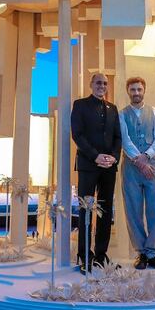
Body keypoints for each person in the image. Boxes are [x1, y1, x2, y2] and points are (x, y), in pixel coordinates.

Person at [70, 72, 121, 273]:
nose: (102, 86)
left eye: (105, 83)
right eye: (98, 82)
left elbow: (118, 137)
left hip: (109, 167)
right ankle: (85, 256)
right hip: (88, 165)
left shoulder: (113, 109)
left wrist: (114, 157)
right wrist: (95, 156)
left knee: (106, 212)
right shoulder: (80, 104)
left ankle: (101, 255)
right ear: (91, 84)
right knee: (86, 211)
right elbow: (78, 134)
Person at [119, 76, 155, 269]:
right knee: (133, 211)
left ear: (144, 90)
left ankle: (154, 253)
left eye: (139, 89)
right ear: (128, 91)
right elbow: (124, 140)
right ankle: (141, 253)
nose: (136, 93)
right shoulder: (122, 114)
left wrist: (146, 156)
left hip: (152, 167)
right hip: (131, 168)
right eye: (133, 90)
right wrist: (139, 161)